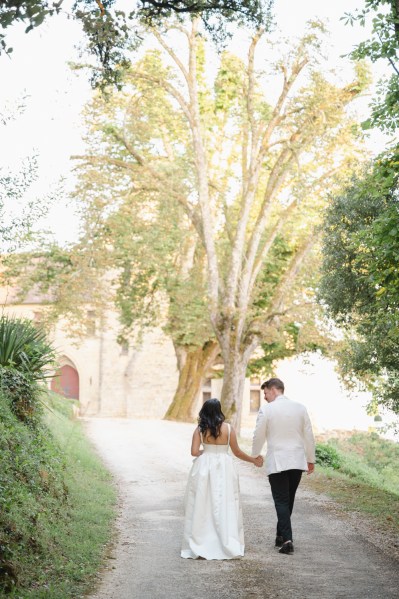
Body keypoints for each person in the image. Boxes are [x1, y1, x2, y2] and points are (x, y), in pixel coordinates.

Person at [181, 398, 263, 560]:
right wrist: (253, 459)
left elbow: (193, 451)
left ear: (204, 411)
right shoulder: (228, 428)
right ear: (219, 411)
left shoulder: (200, 429)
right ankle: (225, 540)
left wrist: (205, 453)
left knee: (202, 503)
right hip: (224, 467)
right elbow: (237, 452)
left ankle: (201, 539)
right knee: (225, 502)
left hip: (204, 466)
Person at [252, 378, 315, 555]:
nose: (264, 397)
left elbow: (258, 434)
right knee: (288, 499)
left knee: (281, 501)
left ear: (273, 390)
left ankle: (287, 541)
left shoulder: (267, 409)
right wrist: (311, 459)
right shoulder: (300, 408)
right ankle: (281, 535)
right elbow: (309, 435)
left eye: (265, 393)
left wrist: (255, 454)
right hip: (296, 460)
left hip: (278, 460)